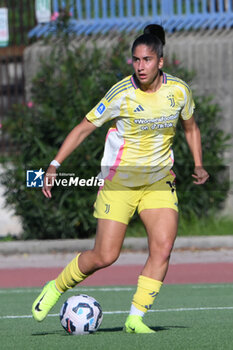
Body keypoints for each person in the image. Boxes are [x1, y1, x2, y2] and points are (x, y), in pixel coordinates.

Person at [32, 24, 209, 333]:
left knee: (163, 247)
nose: (140, 66)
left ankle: (135, 318)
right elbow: (84, 127)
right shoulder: (122, 93)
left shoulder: (178, 91)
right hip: (120, 182)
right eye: (136, 60)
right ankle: (56, 286)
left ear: (160, 62)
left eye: (147, 60)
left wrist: (198, 163)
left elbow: (191, 127)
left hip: (158, 181)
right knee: (105, 255)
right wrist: (54, 164)